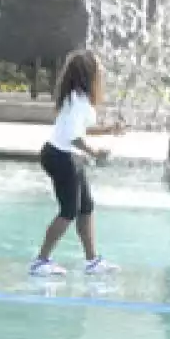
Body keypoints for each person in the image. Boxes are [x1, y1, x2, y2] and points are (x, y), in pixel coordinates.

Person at [30, 49, 125, 278]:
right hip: (60, 156)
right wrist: (95, 152)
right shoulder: (76, 100)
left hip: (66, 155)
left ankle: (92, 260)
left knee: (86, 207)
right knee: (68, 211)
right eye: (99, 68)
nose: (102, 72)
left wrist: (109, 129)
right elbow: (74, 136)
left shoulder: (79, 98)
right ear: (88, 74)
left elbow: (82, 129)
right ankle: (40, 261)